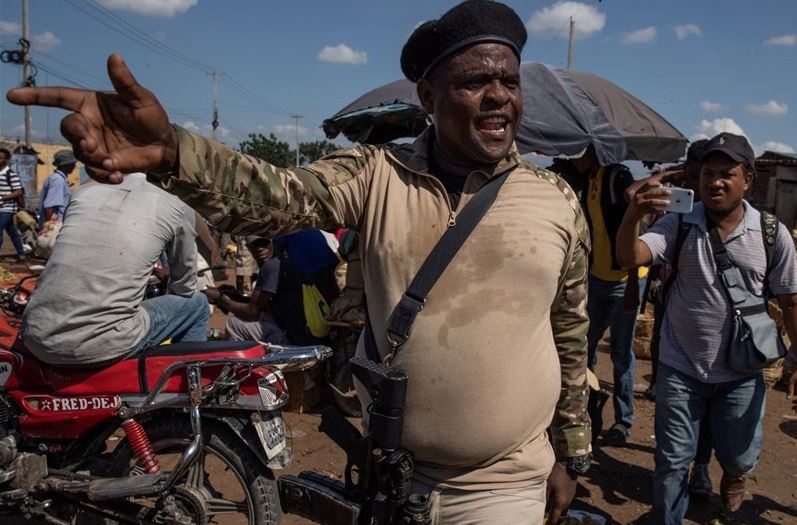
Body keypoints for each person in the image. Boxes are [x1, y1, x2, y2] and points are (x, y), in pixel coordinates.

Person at [7, 2, 592, 522]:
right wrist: (172, 154)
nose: (498, 97)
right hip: (390, 472)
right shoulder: (375, 174)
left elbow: (569, 331)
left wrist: (573, 451)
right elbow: (275, 196)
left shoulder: (555, 198)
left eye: (508, 82)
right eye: (475, 82)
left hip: (505, 482)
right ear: (429, 97)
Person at [616, 132, 797, 522]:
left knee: (738, 453)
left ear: (747, 179)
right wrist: (633, 213)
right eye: (708, 173)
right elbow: (630, 256)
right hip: (682, 367)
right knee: (671, 462)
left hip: (742, 371)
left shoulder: (770, 234)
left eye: (726, 173)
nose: (715, 181)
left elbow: (790, 300)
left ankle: (734, 475)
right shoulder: (678, 224)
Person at [22, 173, 209, 367]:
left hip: (35, 333)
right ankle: (186, 384)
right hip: (103, 345)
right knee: (199, 304)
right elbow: (184, 288)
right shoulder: (178, 204)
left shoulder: (83, 191)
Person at [568, 145, 647, 446]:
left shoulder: (618, 176)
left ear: (594, 151)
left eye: (579, 152)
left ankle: (623, 422)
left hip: (626, 280)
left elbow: (633, 225)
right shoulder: (589, 180)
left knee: (621, 355)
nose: (574, 158)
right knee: (583, 346)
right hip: (598, 279)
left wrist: (631, 285)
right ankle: (585, 408)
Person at [205, 235, 288, 344]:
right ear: (249, 248)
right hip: (285, 326)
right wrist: (234, 296)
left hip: (286, 332)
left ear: (272, 243)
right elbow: (260, 303)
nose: (260, 249)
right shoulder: (277, 261)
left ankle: (238, 358)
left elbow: (252, 312)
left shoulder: (271, 266)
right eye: (255, 245)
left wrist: (221, 299)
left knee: (234, 324)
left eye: (264, 244)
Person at [38, 149, 76, 229]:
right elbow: (49, 207)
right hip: (56, 226)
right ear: (67, 165)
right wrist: (51, 229)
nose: (74, 166)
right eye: (73, 164)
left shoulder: (55, 178)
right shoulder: (58, 180)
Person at [0, 147, 26, 260]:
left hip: (8, 208)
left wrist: (2, 198)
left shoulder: (10, 174)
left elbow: (19, 191)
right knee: (12, 232)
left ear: (6, 160)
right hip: (1, 208)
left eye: (0, 158)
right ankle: (21, 253)